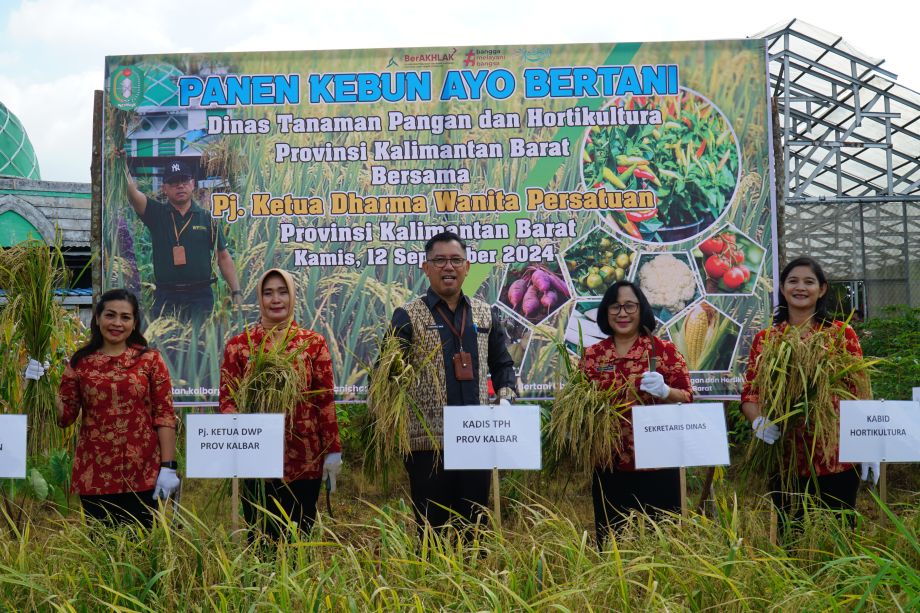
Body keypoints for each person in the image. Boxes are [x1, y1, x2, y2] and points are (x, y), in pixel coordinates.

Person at [389, 231, 517, 531]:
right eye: (440, 260)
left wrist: (506, 398)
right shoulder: (407, 316)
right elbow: (388, 373)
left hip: (476, 438)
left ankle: (475, 576)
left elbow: (503, 365)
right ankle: (431, 579)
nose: (449, 267)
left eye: (456, 260)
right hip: (428, 444)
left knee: (474, 526)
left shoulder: (485, 315)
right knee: (432, 530)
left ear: (467, 266)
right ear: (426, 267)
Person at [741, 256, 877, 533]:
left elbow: (859, 390)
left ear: (822, 289)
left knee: (836, 536)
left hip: (836, 454)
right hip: (786, 456)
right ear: (782, 288)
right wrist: (758, 421)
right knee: (791, 536)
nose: (800, 287)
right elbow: (751, 394)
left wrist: (869, 445)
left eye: (809, 282)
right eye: (793, 281)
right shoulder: (767, 339)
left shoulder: (840, 334)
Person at [219, 268, 341, 538]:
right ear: (259, 298)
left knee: (299, 535)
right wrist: (237, 440)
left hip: (304, 456)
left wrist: (332, 449)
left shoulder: (312, 343)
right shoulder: (240, 345)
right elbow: (228, 400)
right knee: (260, 536)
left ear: (293, 296)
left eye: (283, 292)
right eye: (268, 292)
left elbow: (324, 400)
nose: (276, 299)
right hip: (256, 459)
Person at [579, 280, 693, 545]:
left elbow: (687, 398)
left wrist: (666, 392)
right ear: (605, 313)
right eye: (615, 307)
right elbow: (580, 406)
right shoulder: (594, 356)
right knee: (612, 543)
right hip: (610, 464)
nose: (622, 313)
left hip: (659, 463)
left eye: (629, 306)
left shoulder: (663, 351)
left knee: (663, 542)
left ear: (641, 309)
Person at [56, 289, 179, 528]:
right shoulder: (80, 362)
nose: (117, 323)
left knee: (141, 549)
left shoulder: (150, 360)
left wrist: (168, 466)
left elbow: (164, 415)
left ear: (134, 323)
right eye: (110, 315)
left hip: (142, 473)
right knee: (101, 551)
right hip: (95, 474)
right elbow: (65, 417)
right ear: (98, 318)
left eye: (125, 317)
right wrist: (39, 383)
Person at [125, 158, 242, 319]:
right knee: (165, 343)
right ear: (164, 188)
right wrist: (121, 163)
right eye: (173, 182)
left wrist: (236, 291)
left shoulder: (207, 218)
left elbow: (223, 256)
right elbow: (132, 193)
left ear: (193, 184)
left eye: (184, 180)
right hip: (166, 296)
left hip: (200, 297)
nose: (180, 186)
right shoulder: (156, 213)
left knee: (200, 343)